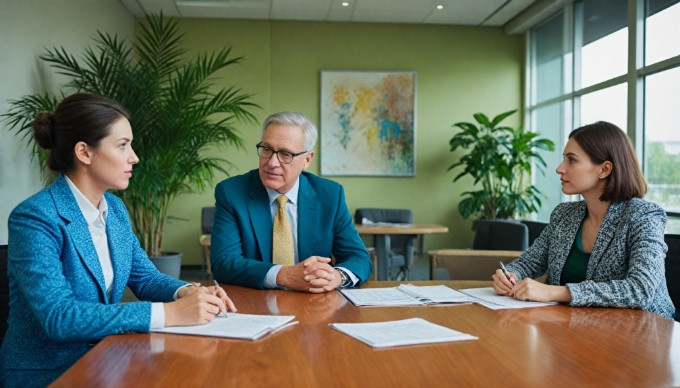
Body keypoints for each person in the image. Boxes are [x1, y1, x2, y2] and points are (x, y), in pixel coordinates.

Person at [0, 93, 237, 387]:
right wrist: (168, 313)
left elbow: (145, 278)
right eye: (123, 145)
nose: (134, 157)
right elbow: (59, 317)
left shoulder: (115, 210)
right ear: (84, 152)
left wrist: (187, 292)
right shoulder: (36, 217)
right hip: (50, 375)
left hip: (108, 361)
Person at [492, 121, 675, 319]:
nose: (560, 169)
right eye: (564, 159)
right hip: (578, 328)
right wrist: (510, 275)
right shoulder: (564, 214)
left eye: (571, 160)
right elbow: (529, 263)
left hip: (643, 335)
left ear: (604, 169)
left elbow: (640, 289)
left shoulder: (643, 215)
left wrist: (556, 292)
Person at [210, 111, 372, 292]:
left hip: (314, 303)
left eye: (285, 154)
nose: (272, 162)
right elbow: (223, 262)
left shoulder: (330, 195)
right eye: (266, 149)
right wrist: (285, 275)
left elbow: (358, 257)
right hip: (254, 300)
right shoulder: (232, 192)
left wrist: (336, 276)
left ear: (307, 160)